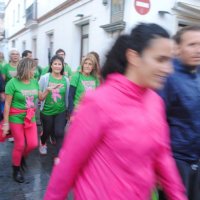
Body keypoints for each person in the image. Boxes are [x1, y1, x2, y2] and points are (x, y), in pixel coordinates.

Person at [44, 23, 187, 200]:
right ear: (134, 57)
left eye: (170, 60)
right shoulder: (99, 102)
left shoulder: (155, 102)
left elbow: (163, 155)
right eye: (160, 59)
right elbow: (67, 165)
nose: (169, 69)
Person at [158, 25, 200, 200]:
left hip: (196, 159)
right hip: (176, 162)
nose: (198, 50)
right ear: (177, 49)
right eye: (192, 44)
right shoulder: (168, 78)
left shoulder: (198, 73)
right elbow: (157, 123)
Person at [2, 58, 39, 183]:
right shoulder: (12, 83)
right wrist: (6, 123)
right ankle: (16, 169)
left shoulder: (34, 81)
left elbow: (39, 97)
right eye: (33, 69)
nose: (34, 71)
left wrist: (49, 90)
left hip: (30, 116)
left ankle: (21, 157)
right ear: (26, 69)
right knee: (20, 144)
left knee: (33, 143)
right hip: (16, 117)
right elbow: (7, 104)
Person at [38, 55, 69, 163]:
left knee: (59, 133)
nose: (57, 66)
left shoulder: (66, 80)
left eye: (59, 64)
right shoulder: (45, 78)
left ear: (62, 66)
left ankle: (57, 156)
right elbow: (39, 94)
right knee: (47, 131)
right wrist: (47, 90)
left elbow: (67, 95)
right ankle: (42, 142)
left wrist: (67, 110)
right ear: (51, 65)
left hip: (60, 111)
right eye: (55, 64)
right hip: (47, 111)